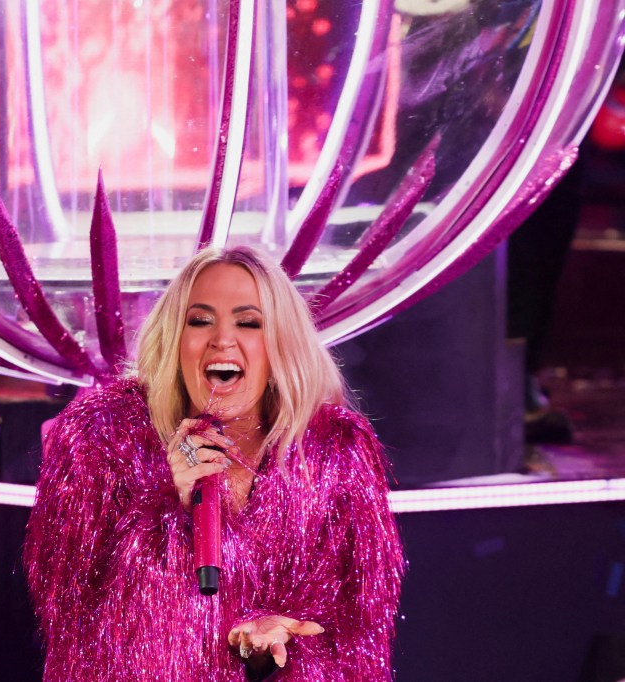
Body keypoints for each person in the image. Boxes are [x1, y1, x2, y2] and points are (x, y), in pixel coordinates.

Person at [23, 246, 404, 680]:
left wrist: (283, 646)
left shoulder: (335, 452)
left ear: (281, 344)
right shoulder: (100, 441)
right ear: (174, 340)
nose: (222, 340)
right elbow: (81, 632)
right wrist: (170, 508)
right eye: (200, 321)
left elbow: (358, 634)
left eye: (248, 322)